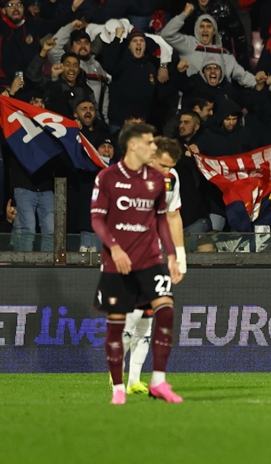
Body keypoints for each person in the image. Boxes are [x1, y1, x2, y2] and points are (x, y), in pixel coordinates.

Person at [90, 123, 183, 405]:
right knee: (121, 323)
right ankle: (118, 384)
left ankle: (153, 381)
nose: (154, 146)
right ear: (134, 145)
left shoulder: (160, 180)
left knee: (162, 312)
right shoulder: (107, 177)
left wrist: (173, 256)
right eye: (150, 142)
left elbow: (164, 219)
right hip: (119, 262)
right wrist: (115, 248)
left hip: (150, 259)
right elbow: (97, 218)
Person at [120, 136, 188, 395]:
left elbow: (173, 215)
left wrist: (179, 256)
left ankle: (134, 380)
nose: (167, 171)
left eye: (171, 166)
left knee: (148, 318)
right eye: (163, 165)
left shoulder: (171, 178)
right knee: (134, 313)